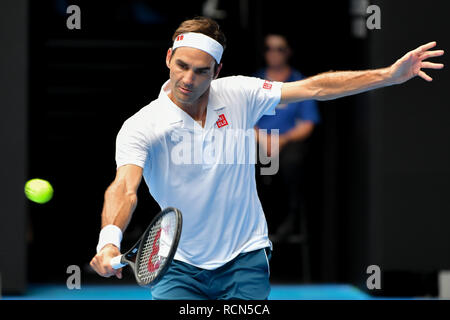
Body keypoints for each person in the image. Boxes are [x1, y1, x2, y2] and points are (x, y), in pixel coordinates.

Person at [89, 16, 444, 300]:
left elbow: (315, 88)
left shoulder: (240, 92)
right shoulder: (141, 126)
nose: (188, 78)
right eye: (181, 65)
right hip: (178, 264)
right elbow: (124, 187)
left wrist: (388, 76)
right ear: (168, 58)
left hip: (245, 256)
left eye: (200, 71)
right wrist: (108, 242)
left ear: (217, 70)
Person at [255, 34, 320, 241]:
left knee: (292, 164)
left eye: (279, 49)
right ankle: (256, 221)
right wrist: (262, 139)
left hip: (288, 142)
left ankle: (289, 218)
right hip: (258, 142)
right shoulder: (254, 81)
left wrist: (281, 140)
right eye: (269, 48)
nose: (273, 53)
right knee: (244, 162)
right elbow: (242, 119)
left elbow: (308, 122)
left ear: (288, 52)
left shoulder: (299, 81)